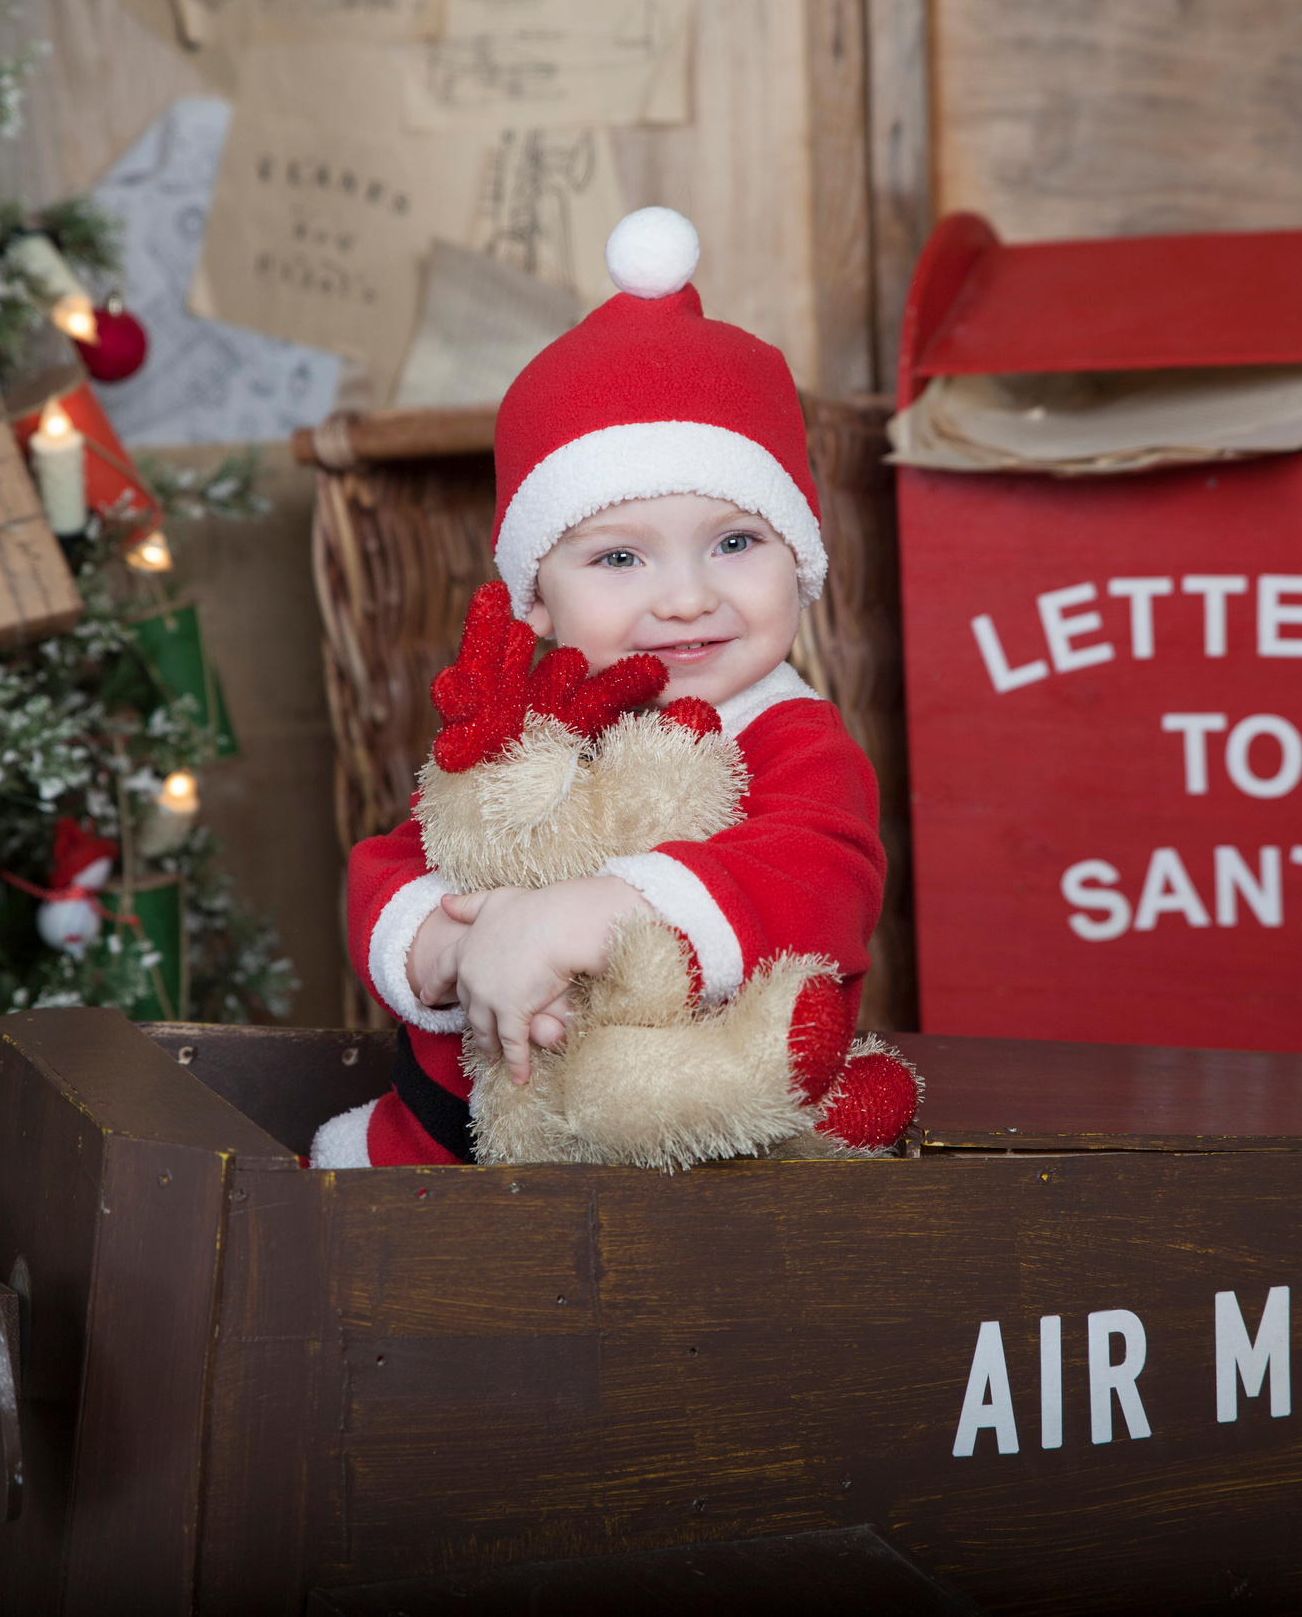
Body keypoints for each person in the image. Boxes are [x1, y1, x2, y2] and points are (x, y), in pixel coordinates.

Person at [313, 208, 885, 1168]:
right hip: (448, 1149)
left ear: (802, 559)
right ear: (535, 600)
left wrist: (589, 913)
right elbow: (393, 863)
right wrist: (454, 949)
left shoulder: (793, 738)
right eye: (620, 556)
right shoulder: (527, 730)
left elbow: (816, 883)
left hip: (677, 1161)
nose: (689, 595)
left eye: (736, 542)